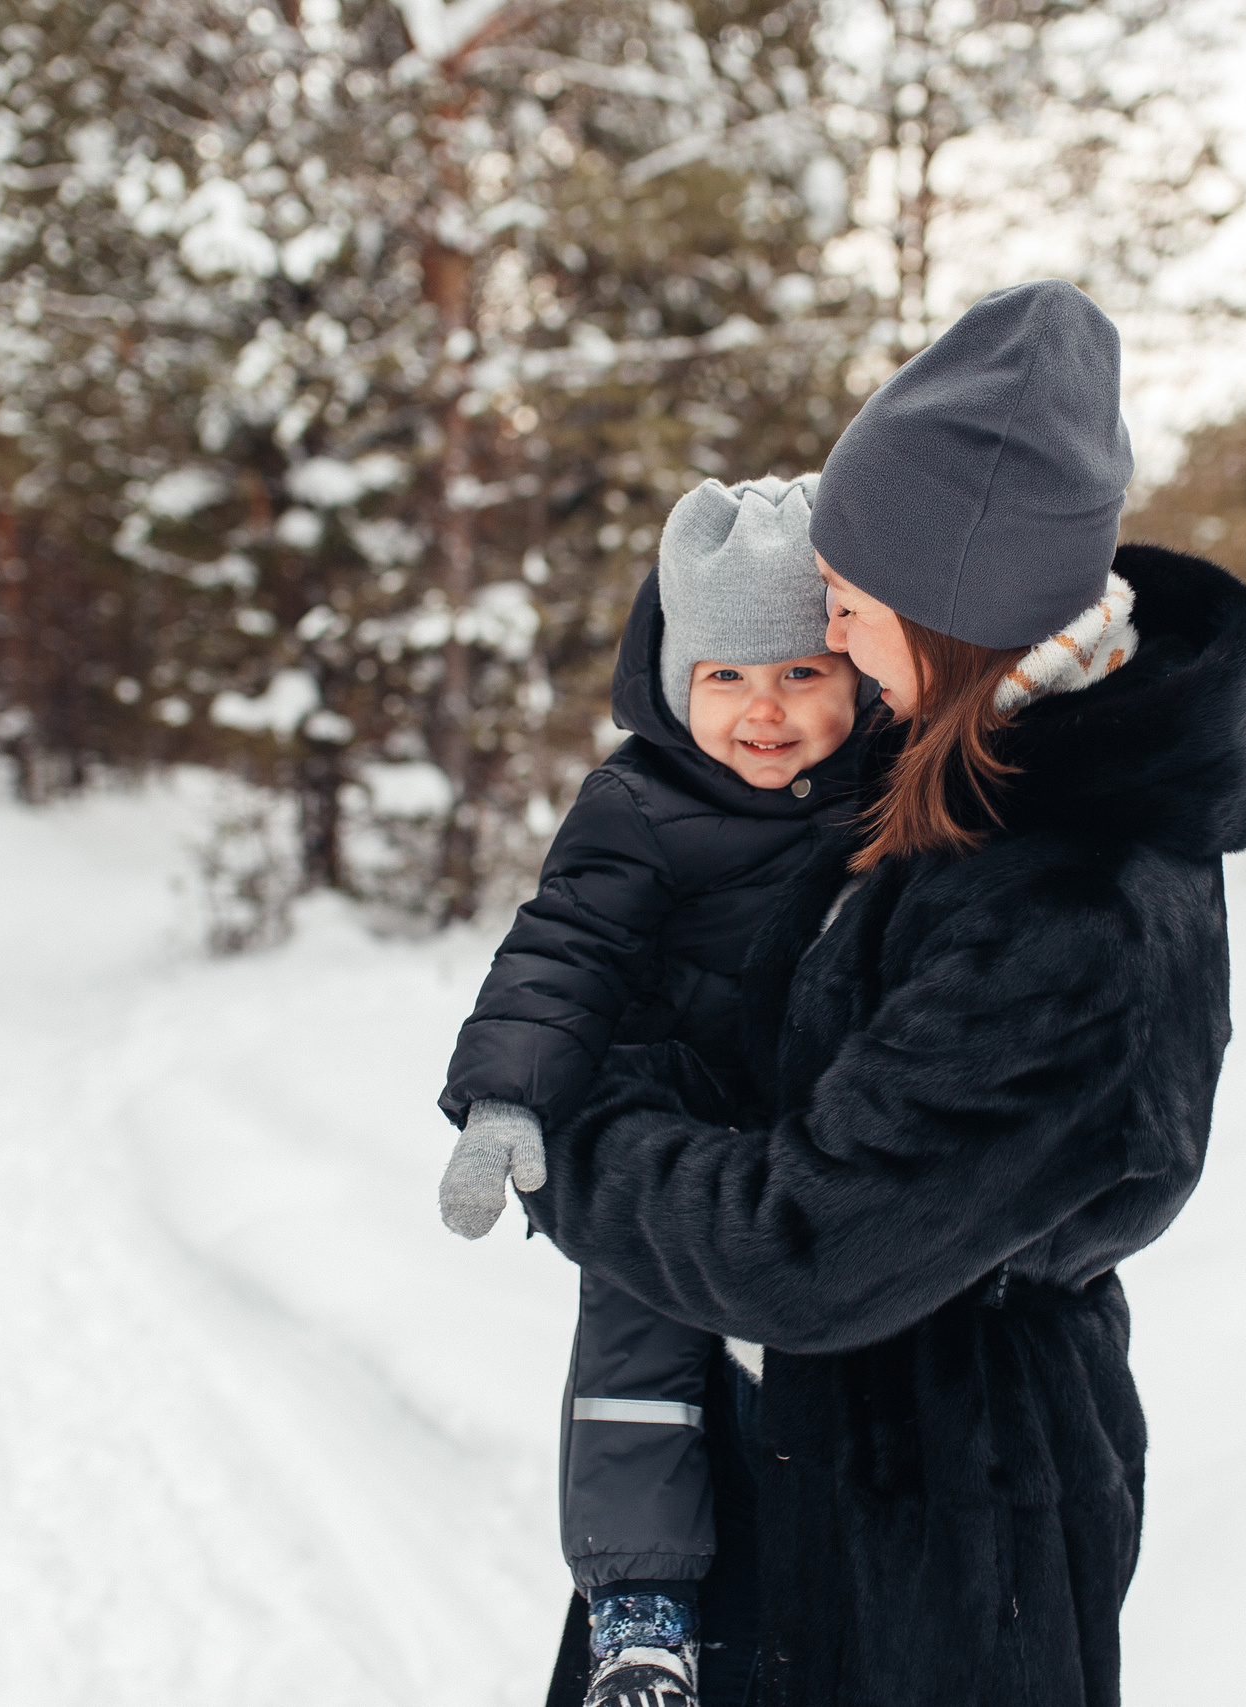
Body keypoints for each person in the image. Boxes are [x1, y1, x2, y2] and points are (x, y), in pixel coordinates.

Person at [520, 280, 1246, 1707]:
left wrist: (574, 1135)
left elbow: (802, 1242)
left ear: (953, 605)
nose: (842, 645)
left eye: (856, 610)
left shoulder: (1072, 905)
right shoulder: (972, 760)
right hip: (800, 1458)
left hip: (928, 1525)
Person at [437, 473, 873, 1707]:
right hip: (666, 1115)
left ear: (856, 673)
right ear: (676, 678)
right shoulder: (639, 801)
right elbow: (562, 952)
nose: (763, 712)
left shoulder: (889, 801)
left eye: (798, 673)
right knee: (636, 1337)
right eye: (725, 677)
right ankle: (640, 1600)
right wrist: (506, 1100)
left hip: (806, 1134)